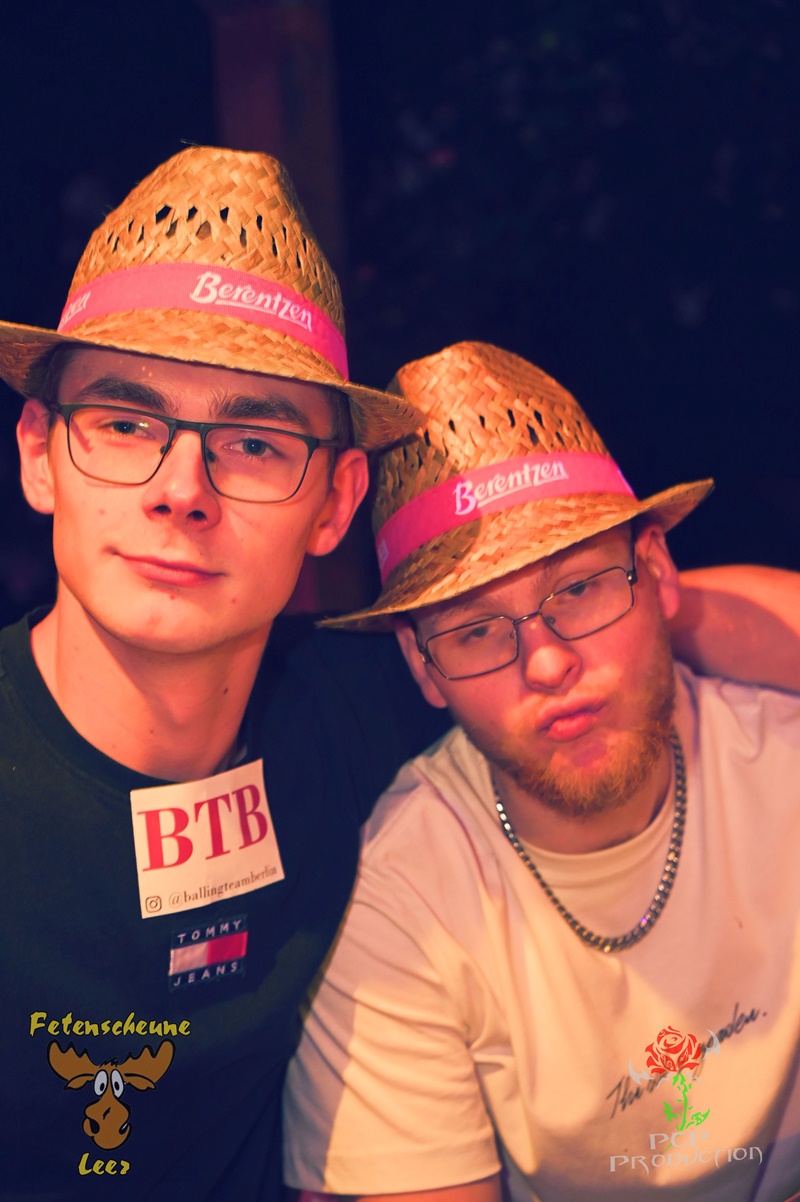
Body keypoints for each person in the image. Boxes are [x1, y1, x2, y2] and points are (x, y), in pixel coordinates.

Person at [0, 144, 448, 1201]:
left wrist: (687, 607)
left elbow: (636, 630)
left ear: (335, 504)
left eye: (252, 443)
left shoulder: (366, 703)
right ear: (38, 452)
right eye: (124, 424)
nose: (182, 489)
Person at [282, 341, 800, 1202]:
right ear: (421, 666)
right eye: (477, 630)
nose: (549, 662)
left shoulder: (780, 768)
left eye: (581, 589)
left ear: (657, 571)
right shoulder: (396, 906)